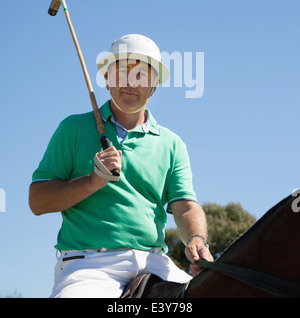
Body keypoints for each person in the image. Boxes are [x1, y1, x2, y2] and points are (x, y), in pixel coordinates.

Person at [29, 34, 213, 298]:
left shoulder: (173, 144)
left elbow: (184, 205)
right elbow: (38, 202)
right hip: (89, 265)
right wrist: (92, 181)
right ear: (106, 79)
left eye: (142, 75)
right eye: (123, 72)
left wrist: (197, 238)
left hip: (155, 262)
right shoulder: (72, 129)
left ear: (154, 86)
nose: (131, 83)